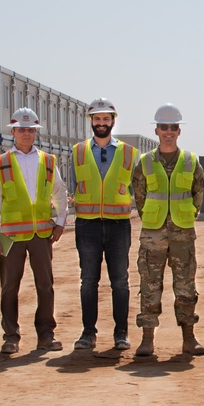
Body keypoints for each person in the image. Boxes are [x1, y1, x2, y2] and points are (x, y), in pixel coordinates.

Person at [0, 107, 68, 354]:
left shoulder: (47, 161)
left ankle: (46, 334)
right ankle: (10, 336)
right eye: (21, 129)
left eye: (30, 130)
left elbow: (60, 193)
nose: (26, 133)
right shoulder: (1, 162)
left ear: (35, 132)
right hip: (10, 236)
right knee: (9, 287)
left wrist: (60, 222)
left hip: (41, 234)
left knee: (45, 286)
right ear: (12, 132)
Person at [131, 103, 204, 357]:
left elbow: (199, 192)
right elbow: (139, 196)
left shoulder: (190, 161)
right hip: (153, 233)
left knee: (185, 285)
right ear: (156, 130)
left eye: (173, 127)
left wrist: (187, 214)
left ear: (179, 131)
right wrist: (152, 216)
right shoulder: (145, 162)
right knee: (150, 285)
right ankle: (147, 340)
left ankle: (189, 338)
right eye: (164, 127)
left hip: (183, 233)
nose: (168, 131)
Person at [70, 98, 138, 352]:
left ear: (113, 121)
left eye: (105, 119)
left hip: (119, 226)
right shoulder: (77, 152)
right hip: (87, 226)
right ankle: (88, 333)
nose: (101, 123)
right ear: (91, 121)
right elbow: (74, 183)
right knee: (88, 281)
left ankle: (121, 334)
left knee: (120, 281)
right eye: (97, 119)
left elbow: (137, 188)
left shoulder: (130, 153)